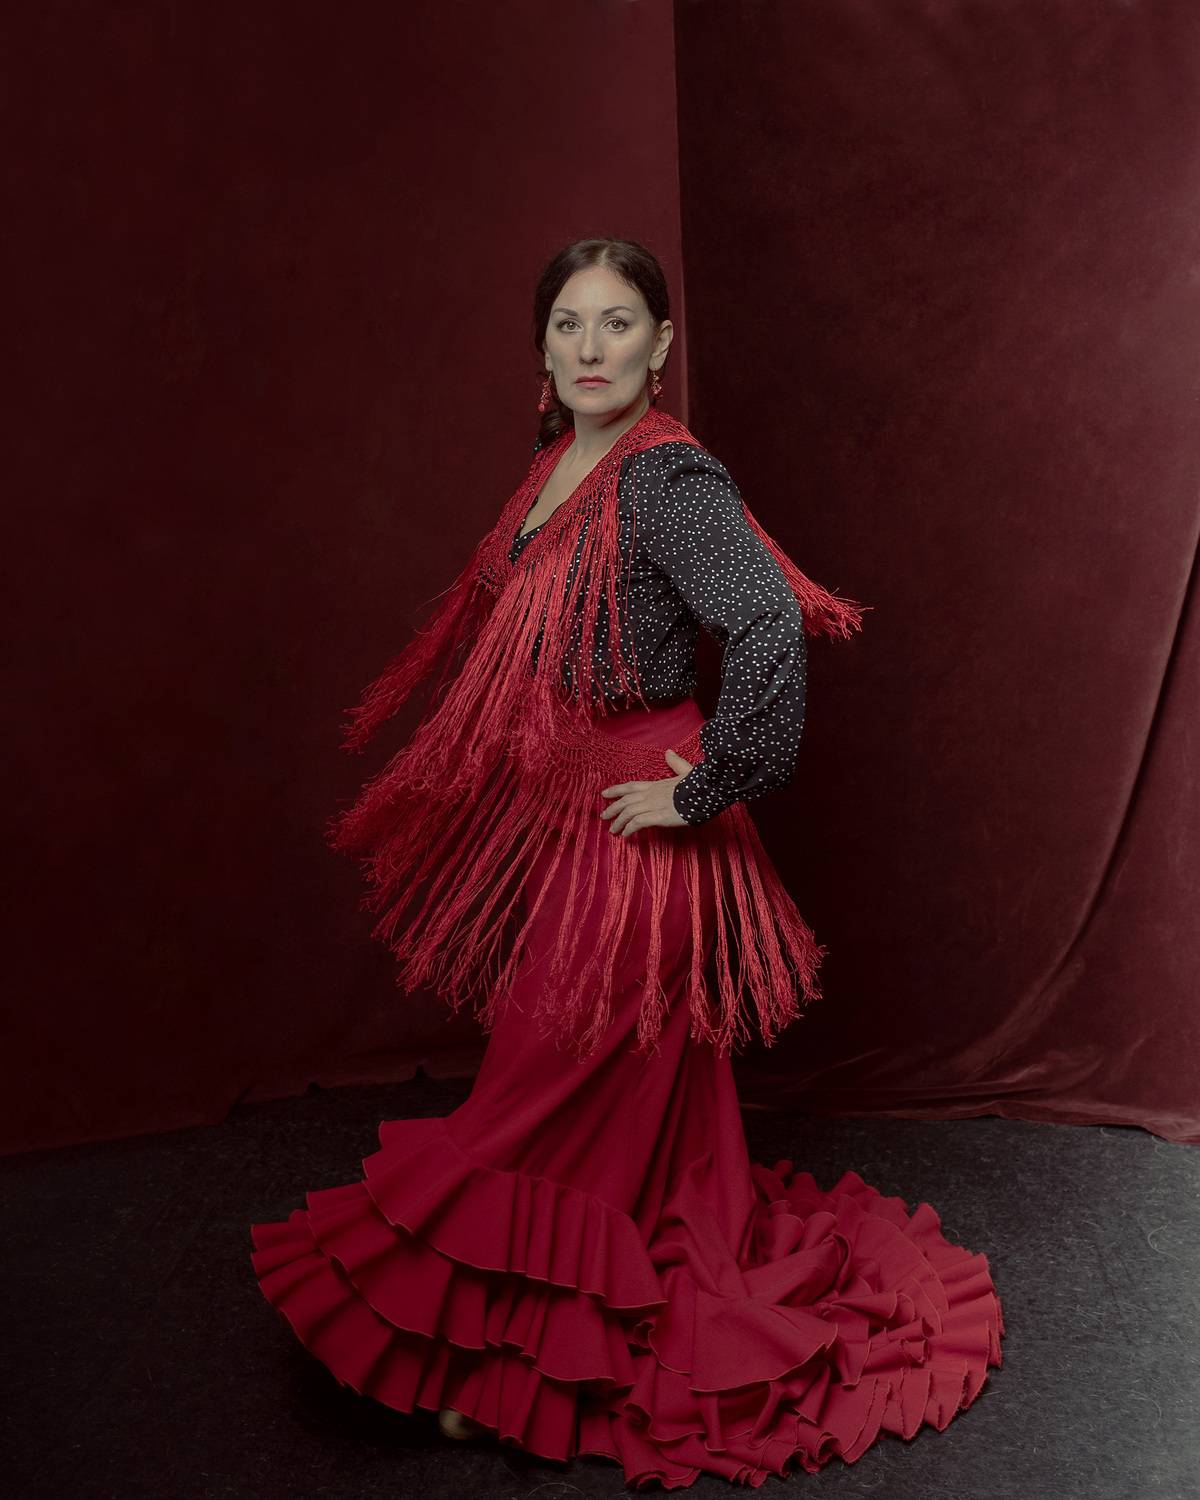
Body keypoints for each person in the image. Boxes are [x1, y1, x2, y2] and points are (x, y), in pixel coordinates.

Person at [249, 238, 1004, 1488]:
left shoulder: (667, 478)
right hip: (572, 808)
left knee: (550, 1080)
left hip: (639, 820)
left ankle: (534, 1362)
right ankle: (531, 1349)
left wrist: (701, 787)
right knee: (617, 1104)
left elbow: (765, 618)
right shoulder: (560, 463)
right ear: (542, 349)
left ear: (661, 345)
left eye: (615, 323)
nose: (590, 347)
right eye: (567, 323)